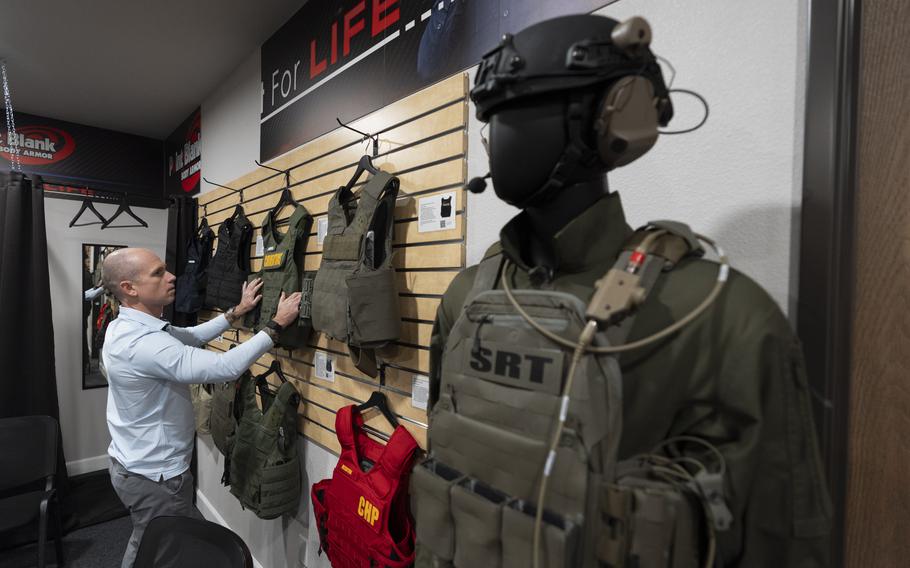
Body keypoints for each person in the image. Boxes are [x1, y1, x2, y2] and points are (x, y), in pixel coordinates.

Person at [419, 14, 832, 567]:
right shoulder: (467, 296)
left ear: (603, 121)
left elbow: (782, 539)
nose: (492, 140)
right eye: (490, 120)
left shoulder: (720, 317)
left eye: (513, 113)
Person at [100, 247, 301, 568]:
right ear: (129, 288)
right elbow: (223, 368)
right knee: (161, 549)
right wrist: (275, 326)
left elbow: (187, 336)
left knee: (150, 541)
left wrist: (236, 312)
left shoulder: (124, 326)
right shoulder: (143, 344)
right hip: (156, 478)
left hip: (137, 467)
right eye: (158, 273)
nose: (172, 277)